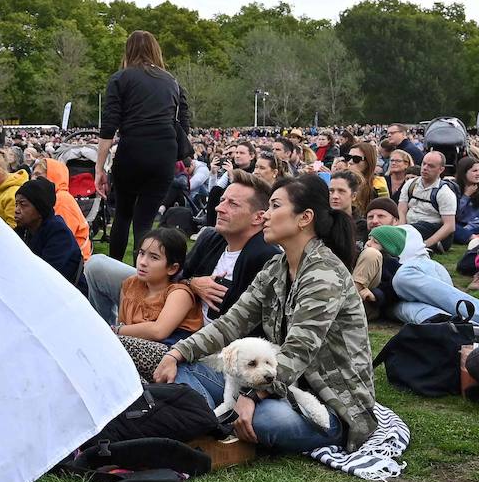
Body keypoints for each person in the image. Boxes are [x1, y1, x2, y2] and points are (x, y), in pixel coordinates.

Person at [153, 175, 377, 454]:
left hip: (329, 403)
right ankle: (209, 420)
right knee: (179, 365)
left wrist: (251, 396)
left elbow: (298, 351)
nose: (266, 216)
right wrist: (177, 353)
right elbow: (230, 323)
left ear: (304, 218)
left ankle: (204, 419)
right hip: (274, 384)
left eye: (274, 206)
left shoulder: (324, 274)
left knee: (266, 419)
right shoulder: (276, 267)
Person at [84, 170, 277, 325]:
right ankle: (105, 333)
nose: (219, 208)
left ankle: (115, 335)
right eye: (222, 201)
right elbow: (178, 276)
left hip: (192, 336)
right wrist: (193, 283)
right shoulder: (211, 237)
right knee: (96, 265)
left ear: (258, 217)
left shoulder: (266, 258)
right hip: (168, 302)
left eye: (232, 204)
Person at [96, 30, 189, 260]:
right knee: (144, 220)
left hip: (133, 149)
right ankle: (146, 278)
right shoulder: (172, 82)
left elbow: (108, 127)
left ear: (128, 50)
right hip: (163, 154)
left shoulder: (121, 78)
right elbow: (184, 126)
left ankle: (116, 270)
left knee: (123, 215)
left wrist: (99, 168)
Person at [112, 228, 203, 380]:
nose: (142, 262)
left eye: (154, 258)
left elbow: (158, 331)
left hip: (168, 356)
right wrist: (119, 330)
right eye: (141, 253)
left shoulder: (179, 293)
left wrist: (115, 331)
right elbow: (124, 322)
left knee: (111, 345)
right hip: (130, 347)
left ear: (172, 268)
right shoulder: (130, 284)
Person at [14, 179, 84, 288]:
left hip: (67, 295)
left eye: (23, 204)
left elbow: (45, 274)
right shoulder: (24, 230)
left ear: (40, 209)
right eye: (16, 204)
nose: (17, 210)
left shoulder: (58, 233)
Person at [397, 150, 457, 252]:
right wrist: (401, 229)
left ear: (441, 169)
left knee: (421, 227)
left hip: (430, 229)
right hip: (409, 226)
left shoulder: (445, 193)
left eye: (431, 166)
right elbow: (401, 209)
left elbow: (449, 226)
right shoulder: (410, 184)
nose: (425, 168)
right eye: (424, 164)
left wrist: (425, 244)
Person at [33, 157, 92, 260]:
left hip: (76, 261)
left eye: (38, 175)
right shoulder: (51, 197)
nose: (32, 178)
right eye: (33, 174)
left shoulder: (61, 200)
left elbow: (61, 239)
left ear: (52, 176)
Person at [347, 142, 389, 214]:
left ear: (368, 162)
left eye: (356, 159)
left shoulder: (378, 184)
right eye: (348, 157)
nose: (350, 162)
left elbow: (383, 213)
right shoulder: (341, 180)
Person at [328, 170, 367, 243]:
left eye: (341, 191)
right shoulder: (321, 223)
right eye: (331, 191)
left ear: (354, 196)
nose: (335, 196)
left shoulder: (362, 227)